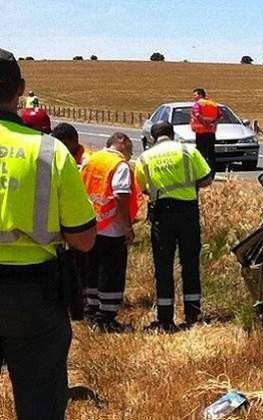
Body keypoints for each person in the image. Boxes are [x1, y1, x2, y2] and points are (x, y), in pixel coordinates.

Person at [0, 48, 97, 420]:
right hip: (33, 296)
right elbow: (85, 240)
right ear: (22, 89)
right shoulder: (50, 152)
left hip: (33, 292)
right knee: (41, 400)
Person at [136, 121, 212, 332]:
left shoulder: (145, 158)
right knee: (190, 263)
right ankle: (193, 314)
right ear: (172, 133)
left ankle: (165, 319)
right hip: (187, 211)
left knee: (163, 266)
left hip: (162, 213)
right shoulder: (188, 150)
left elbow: (143, 187)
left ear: (152, 137)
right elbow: (206, 179)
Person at [80, 132, 140, 332]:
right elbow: (121, 196)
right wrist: (127, 227)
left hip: (90, 224)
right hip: (112, 227)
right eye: (130, 147)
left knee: (92, 271)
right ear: (121, 142)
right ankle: (106, 318)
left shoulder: (91, 160)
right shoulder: (119, 165)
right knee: (111, 273)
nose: (131, 153)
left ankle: (91, 312)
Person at [190, 87, 220, 175]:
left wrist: (205, 123)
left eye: (195, 95)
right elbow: (220, 115)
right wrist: (213, 123)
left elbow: (197, 114)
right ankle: (212, 172)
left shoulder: (198, 104)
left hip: (201, 133)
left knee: (201, 154)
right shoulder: (213, 104)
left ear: (200, 95)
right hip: (211, 132)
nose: (194, 97)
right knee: (211, 153)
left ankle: (202, 173)